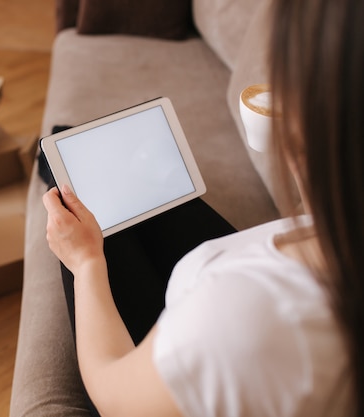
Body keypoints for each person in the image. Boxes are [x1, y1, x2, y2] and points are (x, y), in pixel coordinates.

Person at [42, 0, 363, 415]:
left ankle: (50, 154)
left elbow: (113, 393)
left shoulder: (239, 323)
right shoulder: (338, 226)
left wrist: (85, 262)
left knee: (65, 166)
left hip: (195, 345)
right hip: (227, 305)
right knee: (102, 174)